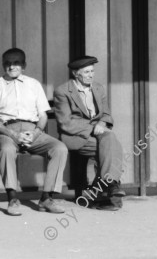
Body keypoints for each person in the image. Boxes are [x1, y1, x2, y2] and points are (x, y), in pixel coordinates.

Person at [0, 48, 68, 216]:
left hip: (32, 131)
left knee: (59, 148)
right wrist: (14, 135)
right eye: (7, 63)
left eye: (16, 63)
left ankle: (46, 198)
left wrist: (35, 133)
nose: (12, 66)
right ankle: (12, 198)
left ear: (24, 65)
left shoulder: (34, 84)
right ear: (3, 65)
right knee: (7, 149)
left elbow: (43, 115)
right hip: (7, 131)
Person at [54, 55, 125, 211]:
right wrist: (93, 128)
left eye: (92, 71)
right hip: (76, 136)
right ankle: (107, 190)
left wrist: (101, 123)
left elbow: (106, 114)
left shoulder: (98, 88)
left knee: (110, 141)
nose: (91, 75)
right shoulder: (63, 91)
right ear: (75, 73)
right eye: (86, 72)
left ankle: (106, 189)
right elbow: (66, 123)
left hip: (99, 133)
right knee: (112, 149)